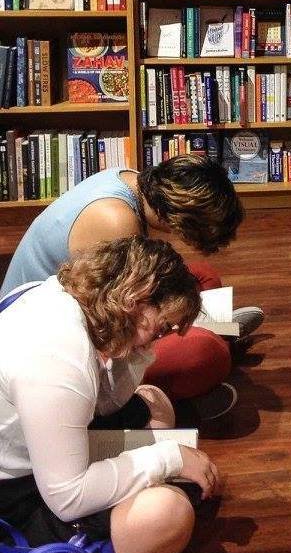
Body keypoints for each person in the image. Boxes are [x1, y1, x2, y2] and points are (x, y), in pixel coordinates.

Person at [0, 236, 222, 553]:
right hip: (16, 498)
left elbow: (108, 403)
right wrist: (169, 459)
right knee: (166, 513)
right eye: (162, 327)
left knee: (154, 402)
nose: (159, 338)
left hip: (36, 458)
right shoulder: (58, 357)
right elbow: (68, 497)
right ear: (134, 299)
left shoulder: (60, 294)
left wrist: (135, 349)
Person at [1, 155, 263, 418]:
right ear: (182, 221)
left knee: (204, 277)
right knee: (208, 354)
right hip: (49, 346)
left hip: (81, 309)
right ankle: (180, 398)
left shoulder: (132, 181)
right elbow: (113, 332)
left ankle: (213, 337)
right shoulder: (117, 223)